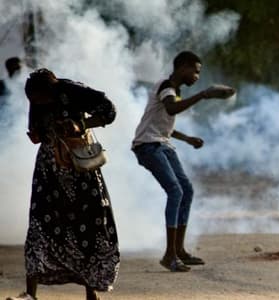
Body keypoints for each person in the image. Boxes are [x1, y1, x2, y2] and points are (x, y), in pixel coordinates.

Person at [7, 69, 119, 300]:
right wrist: (37, 133)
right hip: (49, 172)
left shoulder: (73, 91)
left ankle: (91, 293)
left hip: (78, 169)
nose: (36, 104)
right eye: (33, 101)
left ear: (51, 91)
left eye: (39, 99)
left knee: (87, 226)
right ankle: (31, 294)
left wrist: (81, 124)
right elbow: (36, 129)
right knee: (39, 225)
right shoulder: (36, 98)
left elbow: (109, 111)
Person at [131, 51, 235, 272]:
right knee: (176, 191)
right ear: (182, 68)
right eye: (195, 71)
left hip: (161, 144)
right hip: (148, 146)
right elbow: (171, 108)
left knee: (186, 190)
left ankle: (179, 250)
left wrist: (187, 139)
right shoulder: (166, 87)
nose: (197, 76)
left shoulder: (173, 90)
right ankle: (169, 255)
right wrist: (203, 95)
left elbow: (163, 123)